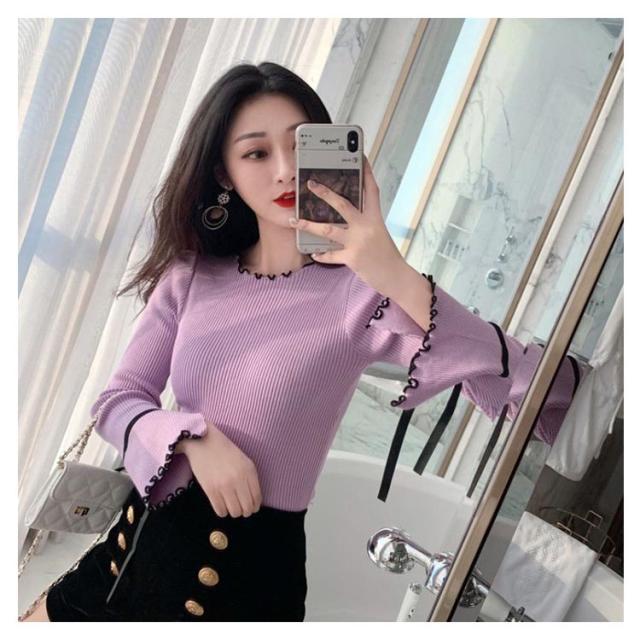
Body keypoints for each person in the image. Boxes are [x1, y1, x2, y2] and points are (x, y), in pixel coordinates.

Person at [22, 60, 579, 622]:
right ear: (223, 175)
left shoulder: (362, 297)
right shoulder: (191, 276)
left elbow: (535, 386)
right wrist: (192, 439)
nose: (286, 170)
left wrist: (393, 271)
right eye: (256, 153)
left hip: (240, 594)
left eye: (299, 146)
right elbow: (118, 402)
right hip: (119, 568)